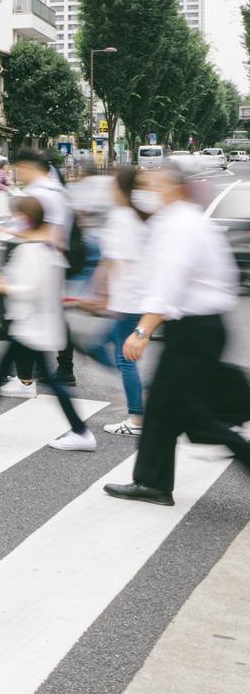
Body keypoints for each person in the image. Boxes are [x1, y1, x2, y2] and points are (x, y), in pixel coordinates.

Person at [105, 163, 250, 506]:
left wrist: (141, 331)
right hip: (198, 328)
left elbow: (170, 281)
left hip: (194, 330)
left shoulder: (181, 226)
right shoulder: (176, 221)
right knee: (164, 407)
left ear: (172, 187)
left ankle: (153, 482)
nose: (146, 190)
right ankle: (151, 482)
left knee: (192, 412)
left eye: (152, 184)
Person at [0, 197, 97, 450]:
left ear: (26, 219)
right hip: (32, 324)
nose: (14, 222)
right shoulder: (45, 246)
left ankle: (81, 431)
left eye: (17, 217)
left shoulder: (33, 250)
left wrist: (1, 285)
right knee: (6, 370)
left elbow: (32, 289)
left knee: (41, 379)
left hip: (30, 325)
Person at [72, 166, 149, 436]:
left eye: (113, 186)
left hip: (126, 299)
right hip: (136, 297)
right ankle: (142, 395)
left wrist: (97, 294)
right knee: (102, 347)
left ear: (120, 189)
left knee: (124, 358)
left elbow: (111, 261)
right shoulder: (139, 217)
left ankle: (137, 415)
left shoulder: (122, 217)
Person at [1, 148, 77, 391]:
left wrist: (11, 232)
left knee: (29, 316)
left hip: (42, 260)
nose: (18, 174)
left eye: (19, 169)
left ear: (29, 166)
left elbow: (47, 232)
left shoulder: (44, 193)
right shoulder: (53, 189)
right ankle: (48, 370)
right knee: (46, 316)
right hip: (49, 260)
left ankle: (28, 375)